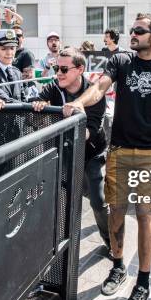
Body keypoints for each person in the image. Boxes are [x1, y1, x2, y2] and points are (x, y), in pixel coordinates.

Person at [63, 13, 151, 300]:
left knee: (146, 216)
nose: (132, 34)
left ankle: (143, 283)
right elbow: (99, 87)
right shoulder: (121, 61)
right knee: (116, 211)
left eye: (139, 31)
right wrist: (81, 102)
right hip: (119, 150)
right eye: (132, 31)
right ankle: (118, 266)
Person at [32, 48, 110, 253]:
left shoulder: (94, 93)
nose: (58, 72)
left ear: (80, 69)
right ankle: (57, 245)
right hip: (65, 151)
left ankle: (111, 242)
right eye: (56, 67)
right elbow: (34, 105)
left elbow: (89, 133)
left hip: (92, 153)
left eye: (64, 69)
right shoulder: (54, 87)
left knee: (98, 201)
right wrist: (39, 105)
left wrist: (70, 118)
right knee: (61, 195)